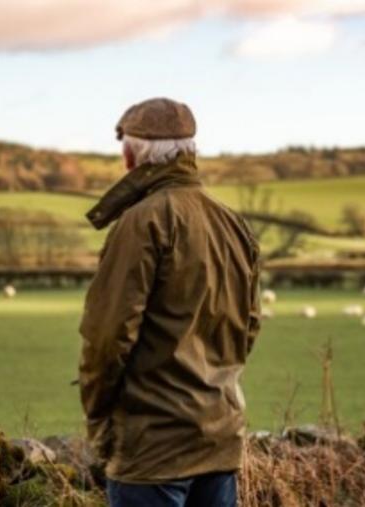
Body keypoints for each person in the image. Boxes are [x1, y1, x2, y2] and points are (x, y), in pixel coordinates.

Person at [78, 97, 261, 507]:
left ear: (130, 154)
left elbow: (108, 337)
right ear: (190, 152)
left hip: (153, 447)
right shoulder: (232, 222)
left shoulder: (142, 221)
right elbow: (248, 325)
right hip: (219, 438)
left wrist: (98, 414)